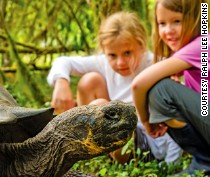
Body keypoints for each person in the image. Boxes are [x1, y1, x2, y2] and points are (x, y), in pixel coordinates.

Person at [47, 11, 183, 165]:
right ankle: (90, 149)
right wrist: (61, 81)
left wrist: (172, 164)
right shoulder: (104, 63)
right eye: (112, 55)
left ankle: (118, 158)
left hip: (146, 145)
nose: (120, 62)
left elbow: (179, 110)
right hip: (115, 137)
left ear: (141, 45)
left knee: (105, 110)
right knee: (89, 81)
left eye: (127, 53)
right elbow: (63, 61)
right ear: (105, 52)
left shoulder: (157, 65)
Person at [132, 0, 210, 176]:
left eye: (177, 21)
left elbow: (139, 84)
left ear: (196, 19)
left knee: (160, 90)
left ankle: (205, 162)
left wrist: (146, 121)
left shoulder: (201, 46)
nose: (168, 30)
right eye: (162, 23)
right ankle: (204, 161)